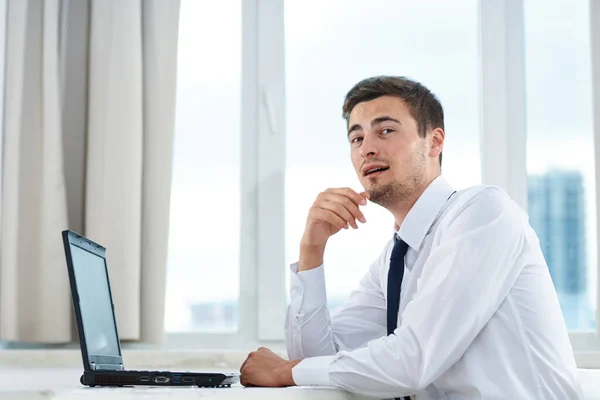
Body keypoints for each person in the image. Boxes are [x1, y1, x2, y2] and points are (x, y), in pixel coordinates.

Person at [239, 76, 583, 399]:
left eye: (385, 130)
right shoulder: (395, 259)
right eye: (356, 138)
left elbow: (413, 359)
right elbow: (318, 360)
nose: (366, 149)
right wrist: (312, 248)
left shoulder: (482, 213)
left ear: (434, 142)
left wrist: (287, 370)